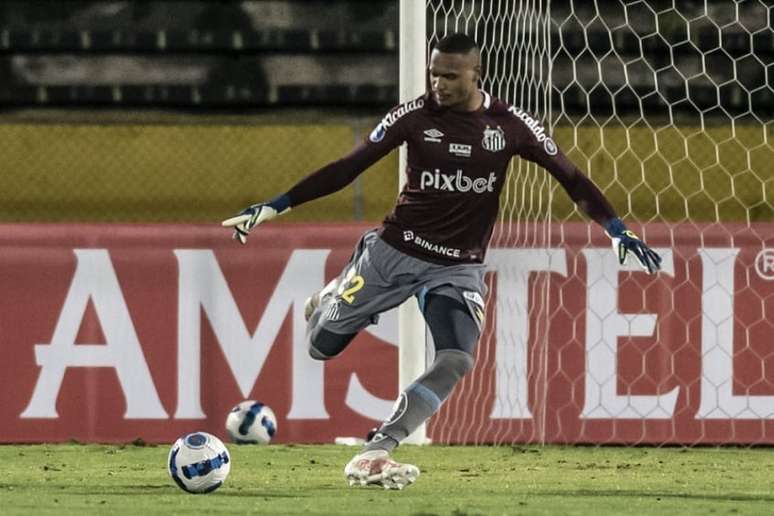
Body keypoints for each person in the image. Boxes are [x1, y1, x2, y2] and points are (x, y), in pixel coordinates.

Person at [222, 33, 661, 490]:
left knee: (456, 358)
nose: (439, 84)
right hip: (392, 253)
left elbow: (570, 176)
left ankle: (378, 448)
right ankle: (335, 292)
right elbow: (347, 167)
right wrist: (275, 206)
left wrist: (616, 229)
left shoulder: (510, 125)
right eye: (434, 74)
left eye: (450, 75)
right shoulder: (414, 117)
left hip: (457, 266)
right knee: (321, 347)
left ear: (477, 75)